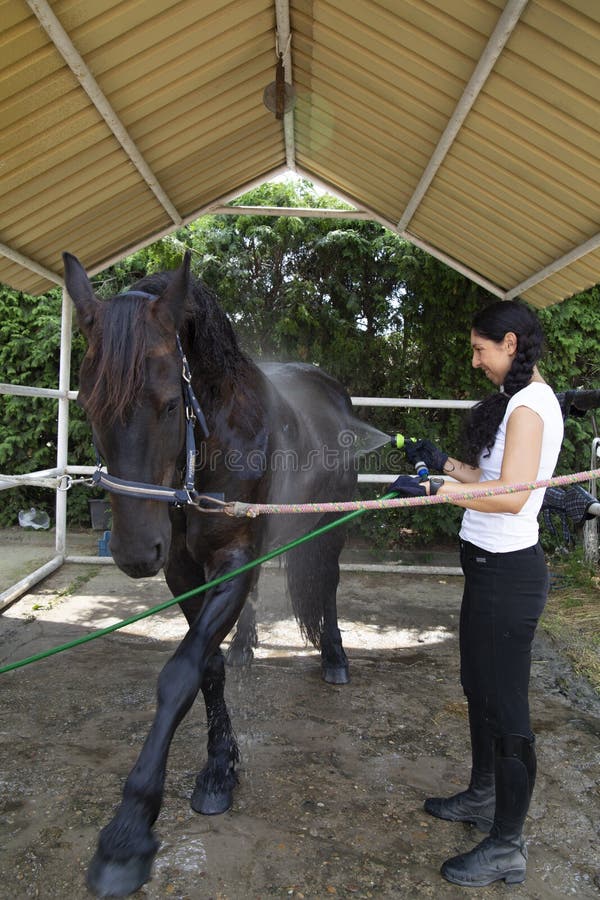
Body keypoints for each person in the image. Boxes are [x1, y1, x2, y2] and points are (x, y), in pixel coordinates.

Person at [388, 299, 564, 887]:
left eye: (480, 349)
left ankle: (507, 844)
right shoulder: (515, 404)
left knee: (507, 707)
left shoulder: (532, 407)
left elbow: (513, 496)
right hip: (487, 569)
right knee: (478, 688)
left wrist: (438, 489)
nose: (474, 361)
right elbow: (491, 479)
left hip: (509, 574)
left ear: (510, 343)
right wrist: (442, 462)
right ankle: (483, 797)